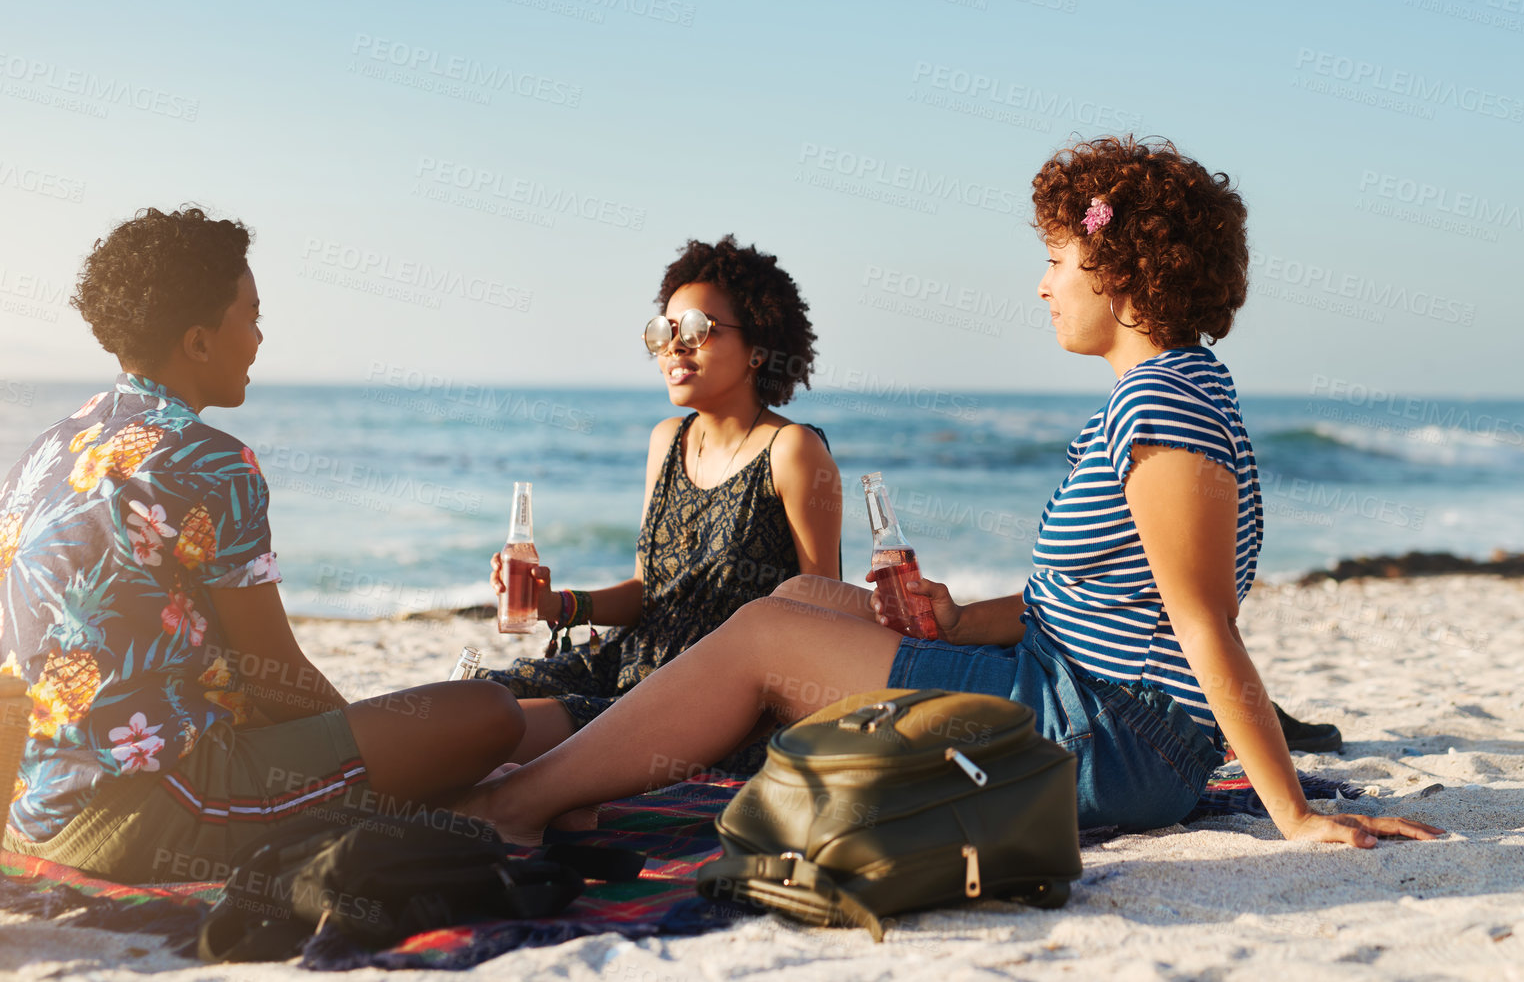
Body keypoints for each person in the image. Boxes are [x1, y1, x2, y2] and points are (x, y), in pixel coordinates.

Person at [462, 137, 1442, 849]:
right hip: (1081, 695)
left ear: (1122, 266)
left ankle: (522, 801)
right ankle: (602, 775)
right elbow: (1100, 599)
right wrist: (955, 618)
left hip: (1106, 739)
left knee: (762, 641)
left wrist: (1295, 814)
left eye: (1059, 259)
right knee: (795, 601)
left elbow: (1203, 621)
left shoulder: (1160, 407)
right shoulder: (1170, 392)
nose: (1044, 285)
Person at [0, 207, 523, 883]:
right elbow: (274, 674)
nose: (258, 337)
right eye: (250, 316)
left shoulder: (48, 448)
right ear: (198, 342)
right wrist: (387, 759)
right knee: (489, 715)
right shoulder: (212, 461)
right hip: (146, 811)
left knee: (450, 721)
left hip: (36, 805)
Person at [478, 236, 844, 769]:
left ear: (758, 347)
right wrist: (557, 603)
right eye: (663, 333)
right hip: (626, 661)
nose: (674, 347)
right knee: (477, 696)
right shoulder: (667, 440)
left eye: (696, 330)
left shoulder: (792, 450)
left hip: (703, 702)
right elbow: (649, 592)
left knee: (490, 737)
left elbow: (822, 609)